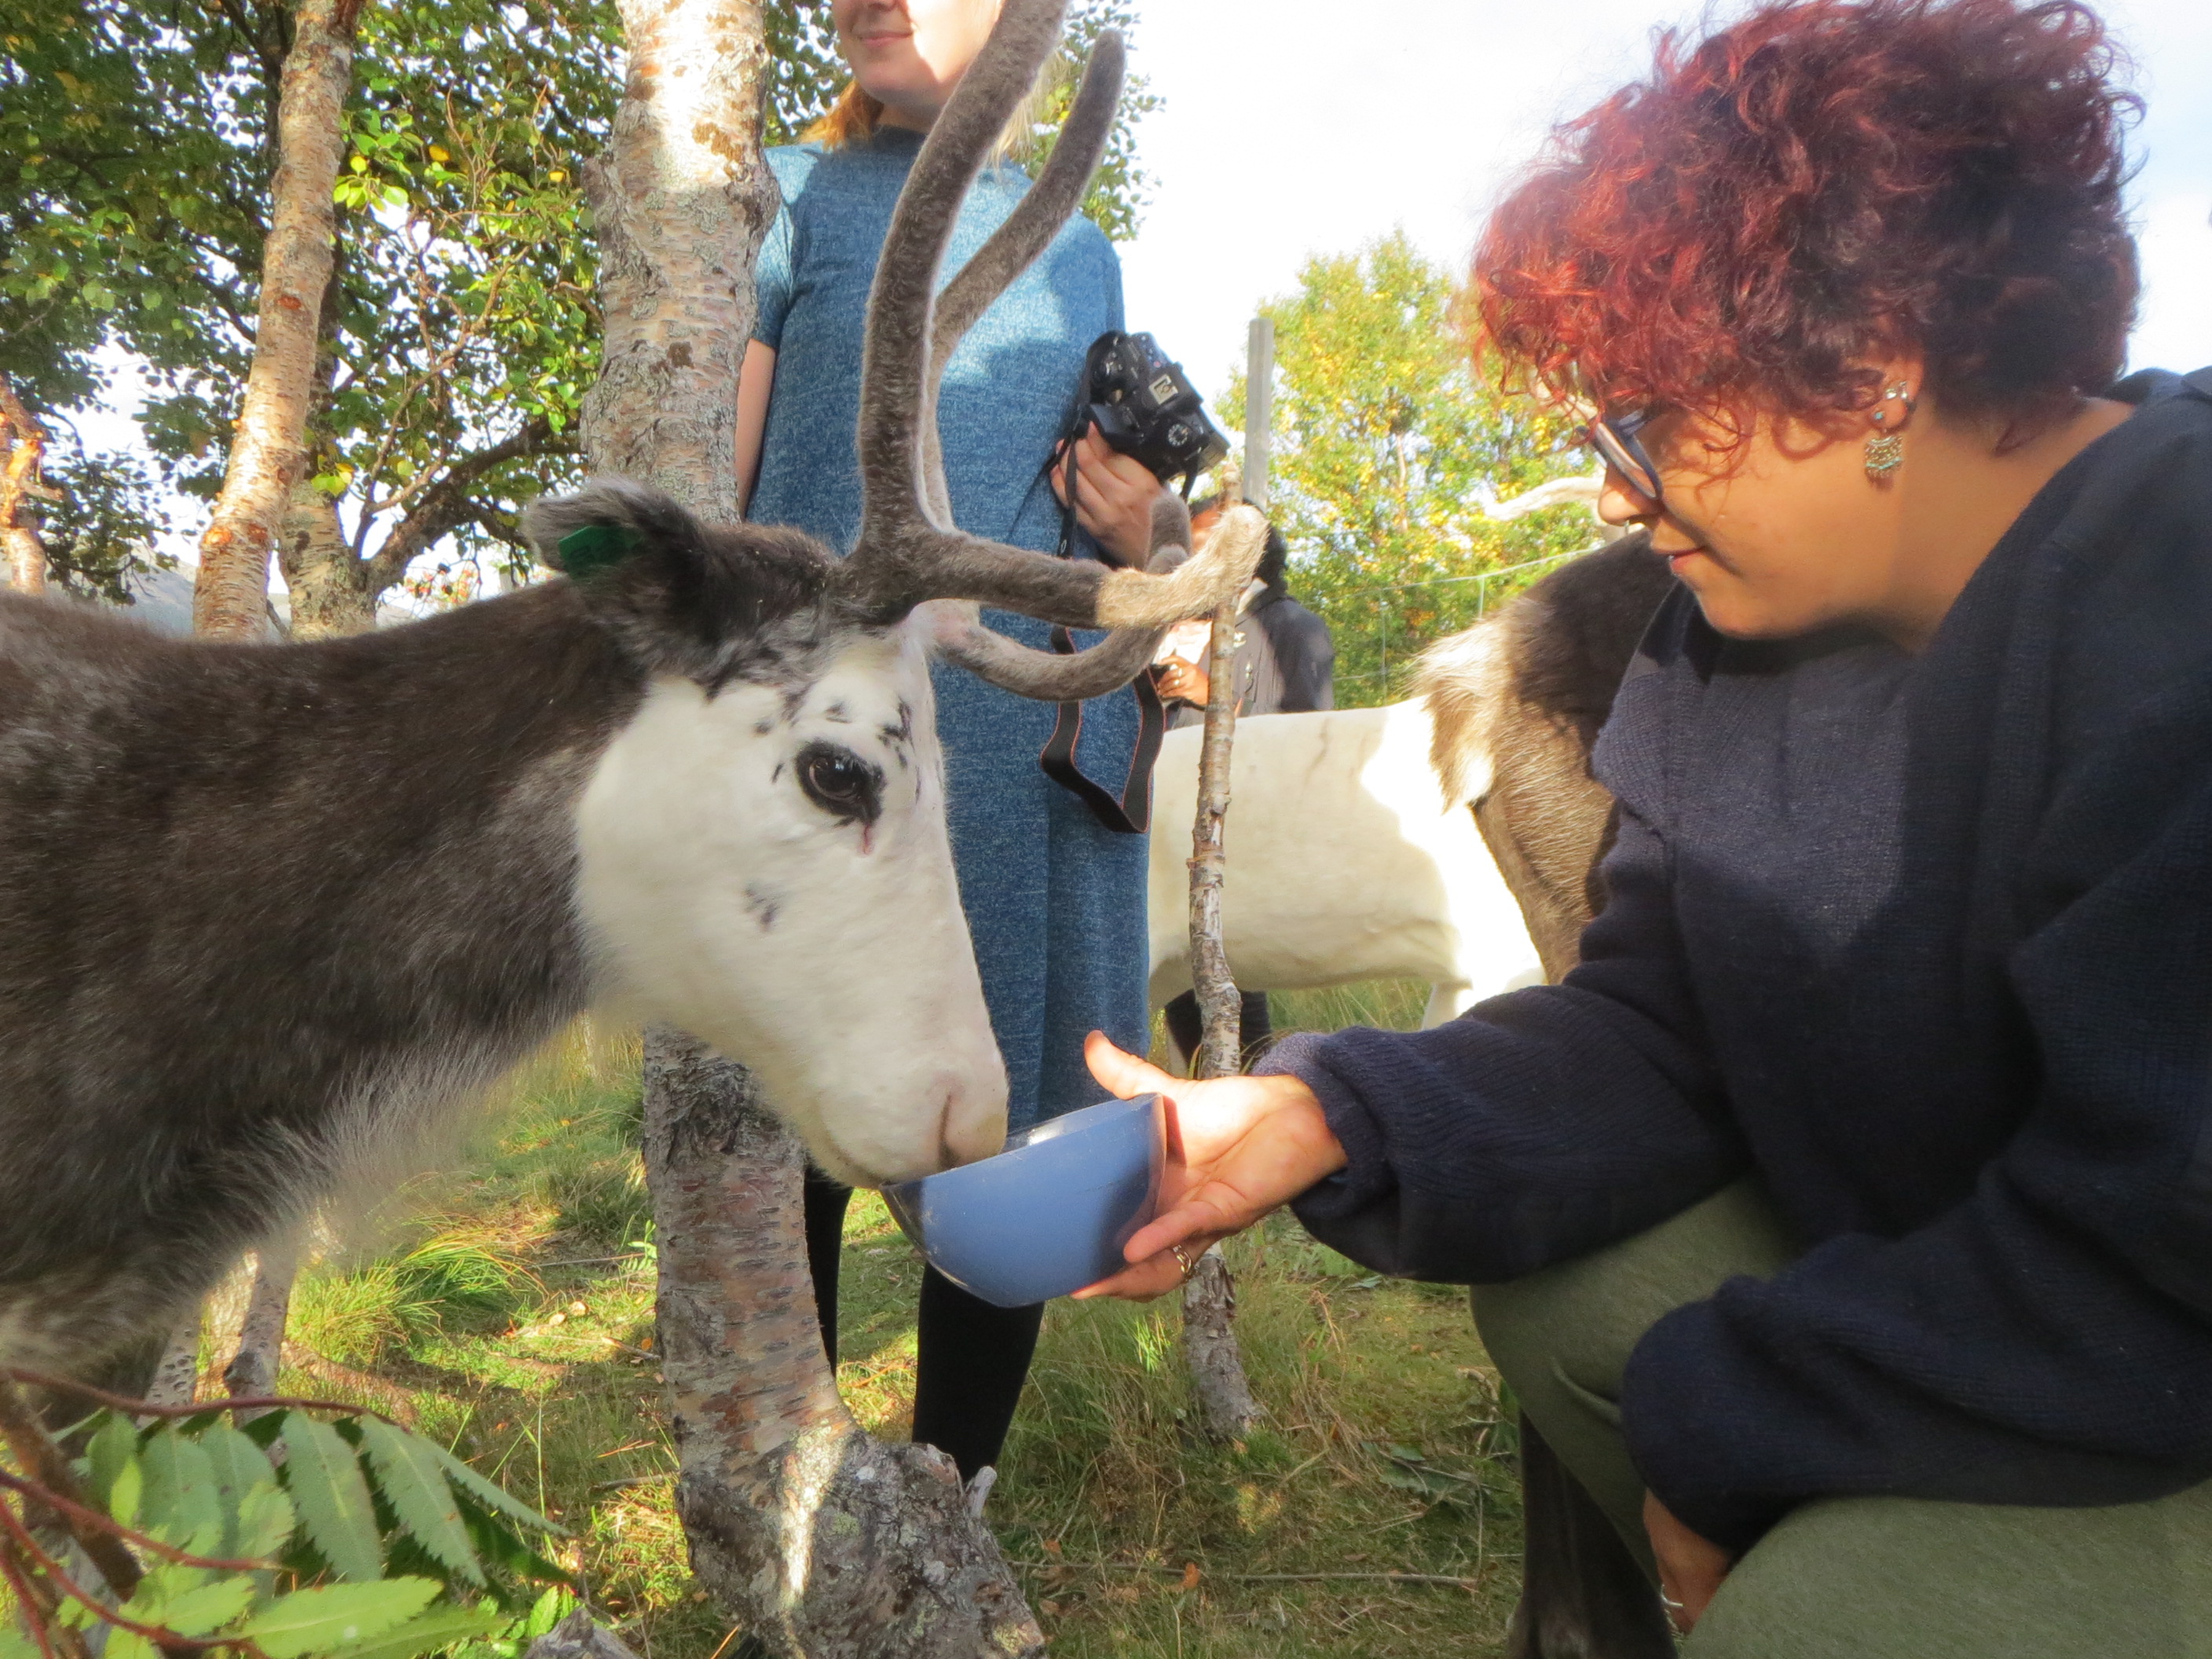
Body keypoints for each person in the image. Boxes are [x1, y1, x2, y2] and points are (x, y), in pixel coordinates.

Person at [1075, 1, 2212, 1652]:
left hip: (2161, 1333)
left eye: (1642, 420)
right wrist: (1328, 1113)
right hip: (2024, 1290)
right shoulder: (1722, 649)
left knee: (1822, 1618)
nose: (1611, 493)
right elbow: (1666, 1027)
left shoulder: (2174, 601)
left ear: (1872, 366)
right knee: (1575, 1289)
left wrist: (1722, 1422)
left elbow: (2160, 1249)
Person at [737, 0, 1171, 1494]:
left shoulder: (1088, 242)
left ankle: (947, 1501)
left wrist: (1149, 529)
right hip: (829, 747)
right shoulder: (786, 191)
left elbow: (1119, 527)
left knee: (1002, 1137)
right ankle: (786, 1490)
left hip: (1019, 745)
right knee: (783, 1118)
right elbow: (714, 474)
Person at [1156, 502, 1335, 1065]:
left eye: (1202, 546)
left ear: (1248, 554)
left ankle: (1248, 1092)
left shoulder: (1293, 627)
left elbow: (1305, 739)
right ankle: (1215, 1094)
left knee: (1228, 967)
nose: (1186, 559)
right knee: (1185, 966)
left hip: (1244, 836)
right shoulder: (1198, 628)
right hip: (1180, 832)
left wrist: (1214, 694)